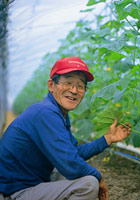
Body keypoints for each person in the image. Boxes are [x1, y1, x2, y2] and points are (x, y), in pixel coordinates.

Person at [0, 57, 131, 200]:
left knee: (68, 170)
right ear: (51, 85)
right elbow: (70, 163)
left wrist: (107, 139)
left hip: (27, 182)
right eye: (68, 83)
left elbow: (73, 153)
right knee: (88, 184)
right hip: (14, 192)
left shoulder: (57, 113)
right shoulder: (45, 113)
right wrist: (99, 177)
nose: (74, 90)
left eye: (80, 86)